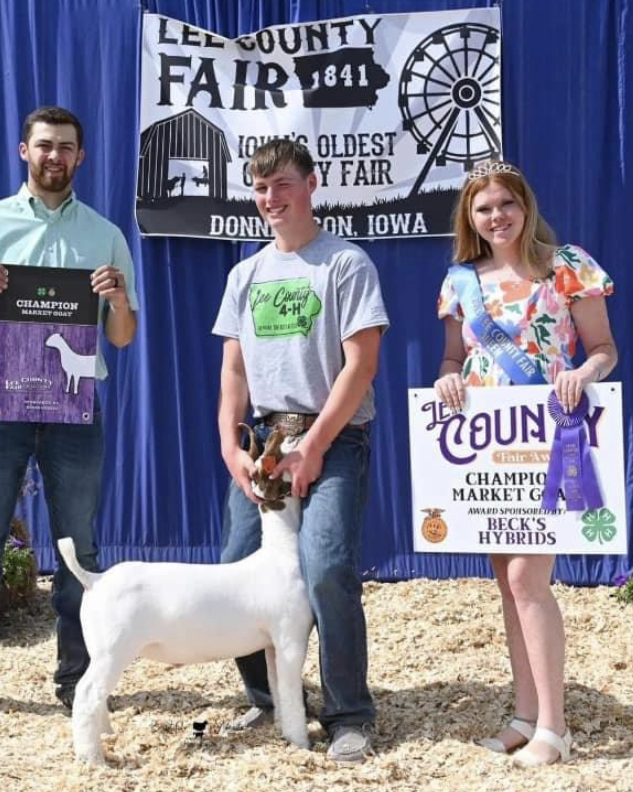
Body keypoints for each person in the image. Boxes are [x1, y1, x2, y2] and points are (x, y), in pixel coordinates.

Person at [0, 106, 139, 724]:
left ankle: (78, 678)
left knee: (79, 546)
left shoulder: (104, 235)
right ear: (24, 150)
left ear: (81, 158)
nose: (55, 156)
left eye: (66, 147)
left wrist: (118, 301)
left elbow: (123, 337)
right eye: (44, 145)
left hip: (74, 408)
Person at [433, 160, 617, 767]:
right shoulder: (461, 281)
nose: (496, 217)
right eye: (484, 209)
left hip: (549, 437)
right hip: (489, 447)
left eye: (505, 205)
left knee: (526, 581)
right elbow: (452, 358)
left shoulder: (567, 268)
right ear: (471, 218)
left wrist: (582, 373)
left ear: (524, 205)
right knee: (506, 584)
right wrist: (449, 381)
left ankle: (554, 728)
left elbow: (603, 350)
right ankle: (524, 713)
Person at [213, 139, 388, 764]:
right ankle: (270, 699)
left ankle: (350, 714)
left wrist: (315, 446)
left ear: (312, 184)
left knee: (327, 569)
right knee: (236, 571)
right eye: (260, 189)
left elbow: (361, 363)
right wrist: (231, 445)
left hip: (333, 438)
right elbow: (233, 370)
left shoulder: (344, 263)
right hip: (263, 440)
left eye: (282, 184)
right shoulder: (245, 274)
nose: (271, 198)